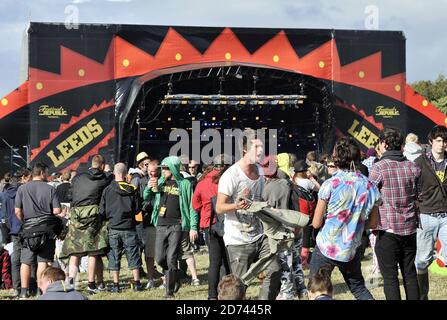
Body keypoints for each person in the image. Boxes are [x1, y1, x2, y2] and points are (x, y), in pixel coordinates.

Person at [310, 137, 380, 300]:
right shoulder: (370, 186)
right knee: (358, 289)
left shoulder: (330, 184)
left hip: (326, 246)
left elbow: (316, 222)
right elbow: (374, 223)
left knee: (318, 289)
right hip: (351, 248)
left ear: (336, 159)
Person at [216, 129, 281, 300]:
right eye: (256, 147)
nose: (260, 151)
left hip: (260, 235)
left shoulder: (260, 171)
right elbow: (219, 207)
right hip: (238, 240)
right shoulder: (231, 175)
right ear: (245, 149)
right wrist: (236, 205)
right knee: (238, 289)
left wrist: (269, 209)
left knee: (275, 270)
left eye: (262, 146)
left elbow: (259, 199)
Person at [369, 127, 421, 300]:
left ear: (384, 144)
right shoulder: (413, 167)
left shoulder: (379, 167)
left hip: (388, 229)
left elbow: (368, 194)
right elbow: (418, 195)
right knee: (409, 273)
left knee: (390, 278)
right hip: (410, 228)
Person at [143, 156, 198, 298]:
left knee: (171, 257)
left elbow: (192, 207)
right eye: (162, 168)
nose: (162, 171)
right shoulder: (160, 182)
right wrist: (149, 188)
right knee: (160, 258)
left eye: (165, 168)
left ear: (173, 168)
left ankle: (169, 292)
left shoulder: (184, 184)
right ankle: (176, 275)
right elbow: (146, 197)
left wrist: (193, 226)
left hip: (177, 225)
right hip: (161, 224)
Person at [60, 154, 113, 294]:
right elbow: (111, 177)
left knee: (75, 251)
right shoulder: (103, 178)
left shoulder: (77, 177)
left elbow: (71, 195)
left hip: (76, 216)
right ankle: (91, 285)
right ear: (101, 165)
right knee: (93, 252)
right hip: (93, 217)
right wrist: (107, 171)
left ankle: (71, 283)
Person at [261, 155, 307, 300]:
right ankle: (302, 290)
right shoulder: (288, 180)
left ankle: (287, 293)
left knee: (285, 262)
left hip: (283, 230)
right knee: (296, 261)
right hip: (296, 225)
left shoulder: (272, 186)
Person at [14, 162, 63, 299]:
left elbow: (17, 211)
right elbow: (57, 210)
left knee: (25, 262)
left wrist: (25, 221)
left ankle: (24, 292)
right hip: (46, 230)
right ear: (42, 173)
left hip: (28, 230)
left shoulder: (22, 189)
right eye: (46, 172)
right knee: (42, 262)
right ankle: (39, 291)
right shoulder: (50, 189)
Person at [192, 154, 232, 300]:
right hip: (228, 223)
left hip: (209, 224)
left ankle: (212, 295)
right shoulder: (227, 179)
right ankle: (229, 293)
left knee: (214, 262)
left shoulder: (202, 181)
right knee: (228, 260)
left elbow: (195, 205)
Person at [414, 125, 447, 300]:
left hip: (446, 215)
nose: (442, 144)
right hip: (426, 215)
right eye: (439, 140)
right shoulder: (420, 162)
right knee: (422, 261)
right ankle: (422, 296)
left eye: (445, 141)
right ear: (431, 141)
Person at [100, 163, 143, 292]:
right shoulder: (132, 189)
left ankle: (116, 285)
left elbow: (102, 211)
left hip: (113, 227)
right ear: (125, 175)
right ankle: (137, 283)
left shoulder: (107, 190)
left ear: (114, 173)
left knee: (114, 255)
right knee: (133, 254)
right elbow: (137, 210)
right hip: (129, 227)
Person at [129, 152, 151, 279]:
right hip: (139, 214)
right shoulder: (136, 178)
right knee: (140, 243)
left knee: (145, 242)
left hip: (145, 213)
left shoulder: (144, 176)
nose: (148, 166)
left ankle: (145, 268)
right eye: (146, 164)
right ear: (141, 165)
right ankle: (139, 269)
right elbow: (133, 196)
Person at [142, 159, 160, 289]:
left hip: (163, 222)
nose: (151, 175)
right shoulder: (143, 182)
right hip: (149, 223)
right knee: (149, 254)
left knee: (164, 253)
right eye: (149, 172)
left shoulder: (164, 182)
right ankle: (150, 279)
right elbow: (141, 202)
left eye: (154, 172)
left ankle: (166, 279)